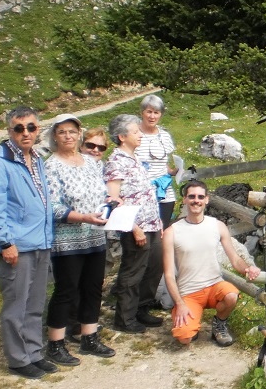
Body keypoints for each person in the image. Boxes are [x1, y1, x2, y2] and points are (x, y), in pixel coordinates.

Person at [0, 106, 57, 379]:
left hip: (41, 242)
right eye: (19, 128)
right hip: (18, 246)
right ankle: (17, 359)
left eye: (31, 127)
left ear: (38, 129)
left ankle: (34, 353)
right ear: (9, 131)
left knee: (35, 304)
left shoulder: (36, 158)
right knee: (16, 305)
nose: (26, 133)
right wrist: (5, 243)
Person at [43, 114, 115, 365]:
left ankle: (89, 336)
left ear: (79, 134)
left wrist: (108, 204)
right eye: (62, 132)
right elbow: (51, 207)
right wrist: (84, 217)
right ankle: (55, 343)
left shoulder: (90, 162)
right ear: (54, 135)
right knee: (67, 290)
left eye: (72, 131)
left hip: (95, 235)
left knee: (93, 286)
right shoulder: (51, 166)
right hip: (67, 239)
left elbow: (102, 191)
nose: (68, 136)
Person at [162, 180, 261, 346]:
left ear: (207, 199)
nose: (196, 200)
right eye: (191, 196)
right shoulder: (172, 232)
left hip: (214, 285)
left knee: (231, 295)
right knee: (184, 338)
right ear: (185, 200)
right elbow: (169, 274)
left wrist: (247, 269)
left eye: (200, 196)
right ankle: (190, 320)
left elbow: (235, 259)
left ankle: (219, 323)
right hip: (189, 292)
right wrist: (179, 304)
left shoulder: (217, 226)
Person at [104, 114, 164, 333]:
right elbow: (113, 200)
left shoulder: (134, 158)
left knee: (154, 266)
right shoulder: (115, 162)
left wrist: (158, 225)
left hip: (152, 224)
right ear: (122, 136)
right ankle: (125, 318)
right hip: (135, 227)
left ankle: (142, 308)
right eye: (135, 132)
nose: (140, 134)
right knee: (133, 272)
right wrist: (134, 228)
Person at [136, 94, 178, 228]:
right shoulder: (134, 134)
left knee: (162, 229)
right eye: (149, 112)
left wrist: (172, 171)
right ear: (142, 112)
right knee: (144, 232)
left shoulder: (164, 136)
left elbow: (162, 162)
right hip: (141, 191)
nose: (152, 116)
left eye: (156, 112)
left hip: (164, 191)